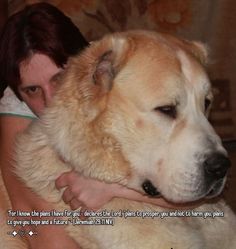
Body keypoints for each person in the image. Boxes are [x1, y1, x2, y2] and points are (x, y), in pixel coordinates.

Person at [0, 3, 192, 249]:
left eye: (59, 78)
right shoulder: (16, 103)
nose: (50, 101)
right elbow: (30, 211)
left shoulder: (124, 78)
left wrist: (109, 188)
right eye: (33, 90)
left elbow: (199, 189)